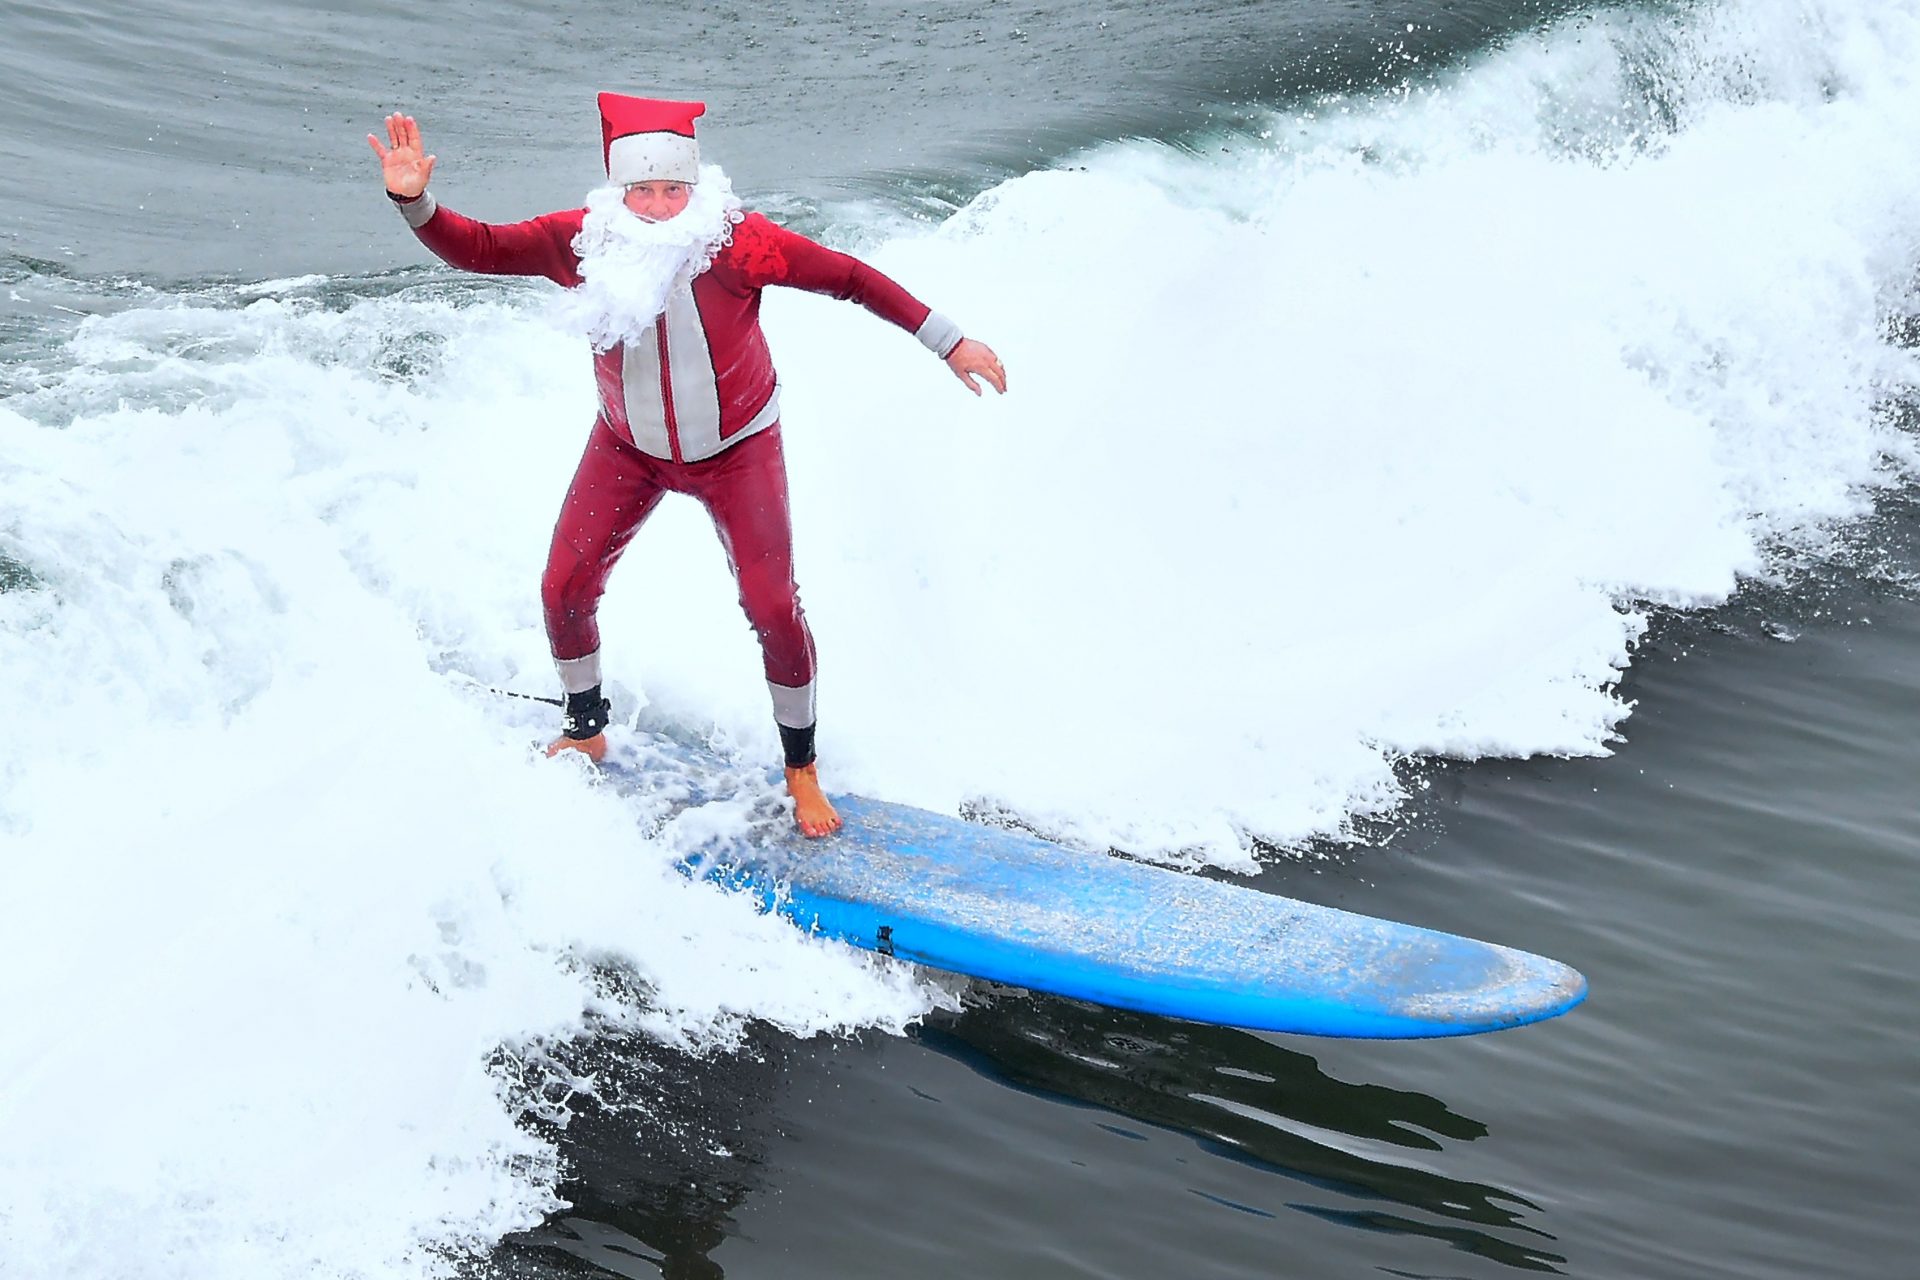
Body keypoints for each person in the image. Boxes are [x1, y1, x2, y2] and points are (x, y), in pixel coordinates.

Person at [368, 95, 1006, 837]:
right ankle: (585, 728)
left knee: (772, 606)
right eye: (644, 190)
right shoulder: (579, 242)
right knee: (563, 586)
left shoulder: (738, 245)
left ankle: (801, 769)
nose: (661, 206)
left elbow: (852, 278)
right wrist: (413, 203)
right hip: (627, 450)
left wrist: (949, 340)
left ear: (694, 188)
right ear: (619, 190)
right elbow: (478, 247)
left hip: (738, 451)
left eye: (675, 189)